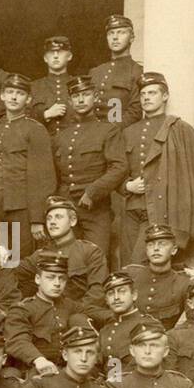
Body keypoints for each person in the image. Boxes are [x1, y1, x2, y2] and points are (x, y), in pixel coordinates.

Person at [118, 71, 194, 264]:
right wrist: (126, 186)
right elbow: (116, 170)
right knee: (129, 264)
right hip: (131, 209)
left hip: (163, 208)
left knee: (142, 263)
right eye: (143, 94)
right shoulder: (128, 132)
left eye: (152, 93)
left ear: (165, 96)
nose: (146, 97)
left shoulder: (181, 129)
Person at [0, 196, 111, 323]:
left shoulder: (90, 252)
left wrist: (73, 313)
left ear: (73, 221)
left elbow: (97, 293)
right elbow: (12, 270)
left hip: (79, 318)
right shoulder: (41, 255)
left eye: (58, 217)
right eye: (49, 218)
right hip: (45, 318)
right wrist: (2, 255)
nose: (52, 222)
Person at [52, 74, 127, 260]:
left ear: (94, 97)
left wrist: (93, 191)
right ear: (70, 101)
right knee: (66, 259)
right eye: (76, 96)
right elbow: (54, 173)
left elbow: (119, 167)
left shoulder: (108, 130)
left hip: (96, 209)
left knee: (96, 258)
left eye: (85, 94)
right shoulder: (61, 136)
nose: (80, 99)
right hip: (66, 207)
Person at [0, 72, 55, 258]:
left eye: (20, 93)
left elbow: (43, 178)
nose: (14, 97)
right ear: (2, 95)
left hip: (21, 208)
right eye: (10, 92)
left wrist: (37, 219)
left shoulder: (35, 130)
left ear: (28, 99)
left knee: (19, 261)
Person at [3, 253, 95, 374]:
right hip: (36, 370)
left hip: (69, 371)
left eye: (61, 278)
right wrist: (38, 359)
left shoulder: (71, 306)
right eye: (50, 277)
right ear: (37, 279)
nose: (57, 283)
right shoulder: (23, 309)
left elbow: (93, 313)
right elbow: (17, 340)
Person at [123, 224, 194, 328]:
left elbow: (190, 323)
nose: (156, 249)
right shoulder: (131, 276)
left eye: (162, 244)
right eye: (151, 245)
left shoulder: (183, 283)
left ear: (174, 250)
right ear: (146, 250)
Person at [89, 14, 142, 125]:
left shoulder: (137, 71)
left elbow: (135, 111)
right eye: (111, 33)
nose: (115, 37)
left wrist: (111, 132)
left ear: (131, 38)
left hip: (120, 134)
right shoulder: (95, 72)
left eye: (121, 32)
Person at [98, 270, 154, 369]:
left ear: (134, 295)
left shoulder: (147, 325)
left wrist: (114, 383)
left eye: (122, 291)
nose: (116, 298)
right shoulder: (105, 330)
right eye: (111, 294)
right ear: (106, 300)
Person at [28, 35, 77, 133]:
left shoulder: (78, 84)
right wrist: (45, 115)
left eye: (60, 52)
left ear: (69, 56)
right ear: (45, 58)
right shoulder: (33, 87)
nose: (55, 56)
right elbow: (22, 119)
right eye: (51, 53)